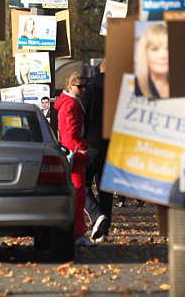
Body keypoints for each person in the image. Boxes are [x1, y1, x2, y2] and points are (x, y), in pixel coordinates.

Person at [54, 71, 95, 247]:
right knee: (78, 193)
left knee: (78, 193)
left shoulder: (69, 102)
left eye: (85, 86)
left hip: (72, 153)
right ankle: (78, 233)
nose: (83, 90)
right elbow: (71, 133)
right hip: (75, 154)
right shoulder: (71, 105)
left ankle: (77, 231)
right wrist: (82, 149)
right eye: (80, 87)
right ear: (70, 86)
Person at [83, 60, 112, 242]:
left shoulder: (91, 87)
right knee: (106, 188)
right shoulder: (119, 87)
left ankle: (97, 216)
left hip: (92, 142)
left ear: (99, 69)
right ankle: (105, 230)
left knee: (81, 183)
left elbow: (85, 114)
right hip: (111, 142)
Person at [133, 22, 169, 99]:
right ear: (144, 53)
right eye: (155, 49)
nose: (163, 56)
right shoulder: (133, 88)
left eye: (168, 49)